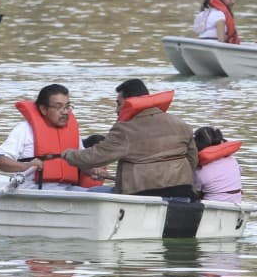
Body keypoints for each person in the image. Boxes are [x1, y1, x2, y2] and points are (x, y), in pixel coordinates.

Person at [61, 79, 197, 200]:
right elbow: (193, 160)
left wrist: (68, 155)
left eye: (118, 104)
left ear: (129, 102)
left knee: (92, 192)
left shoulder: (125, 129)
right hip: (183, 193)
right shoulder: (181, 124)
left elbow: (96, 156)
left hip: (141, 195)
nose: (117, 110)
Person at [0, 83, 103, 190]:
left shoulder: (71, 132)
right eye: (59, 107)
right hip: (35, 190)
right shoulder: (24, 130)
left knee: (103, 191)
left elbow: (81, 163)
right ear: (43, 109)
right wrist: (26, 166)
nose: (65, 112)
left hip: (68, 189)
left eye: (67, 106)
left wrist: (92, 170)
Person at [192, 126, 242, 203]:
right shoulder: (233, 161)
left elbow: (195, 194)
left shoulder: (200, 169)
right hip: (237, 203)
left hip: (211, 208)